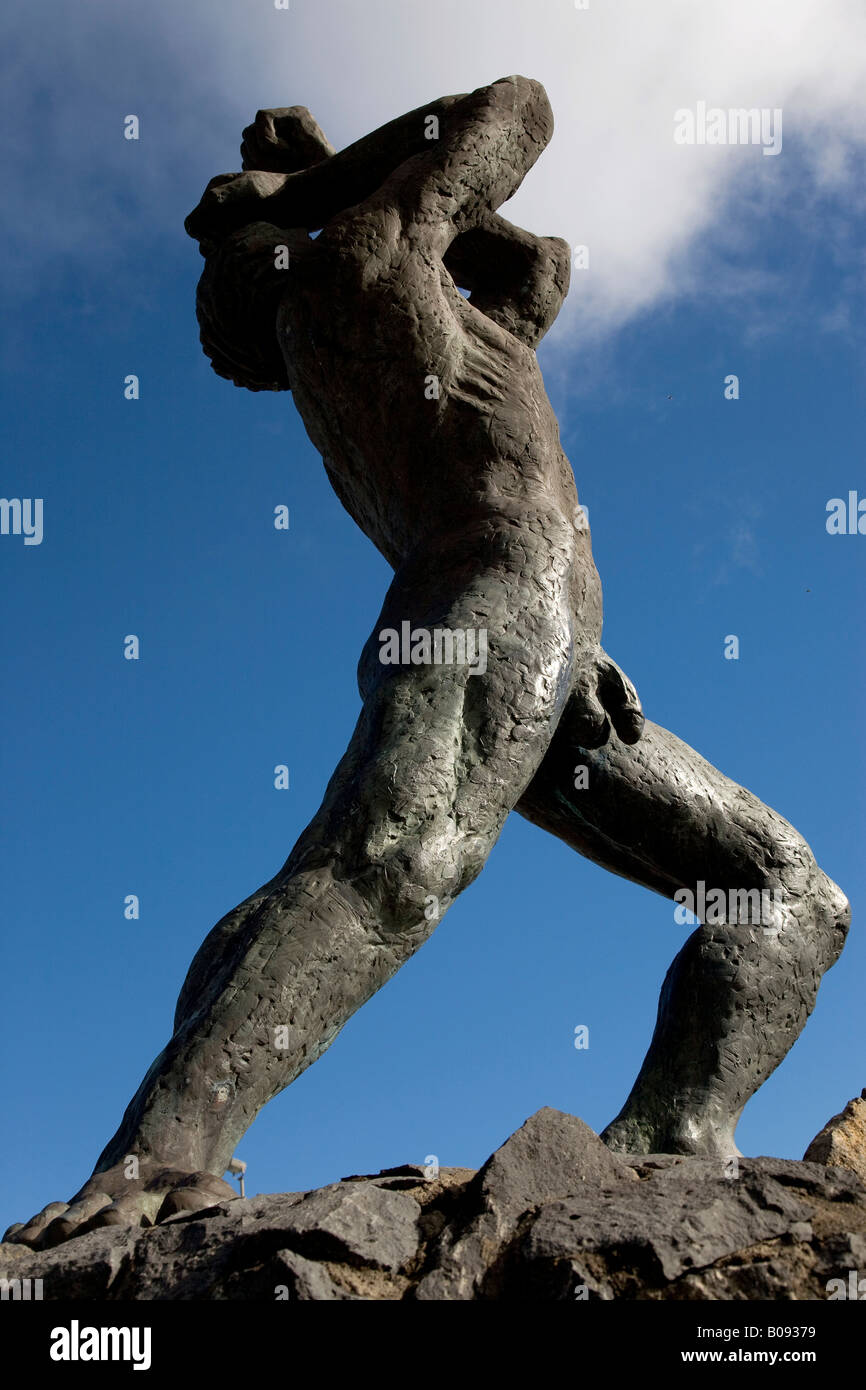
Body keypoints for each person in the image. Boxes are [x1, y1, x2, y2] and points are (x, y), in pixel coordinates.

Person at [7, 76, 849, 1250]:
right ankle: (165, 1148)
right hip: (495, 613)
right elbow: (522, 108)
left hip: (547, 649)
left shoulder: (423, 323)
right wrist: (317, 176)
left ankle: (667, 1138)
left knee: (784, 897)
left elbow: (533, 268)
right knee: (392, 860)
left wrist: (317, 162)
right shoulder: (365, 263)